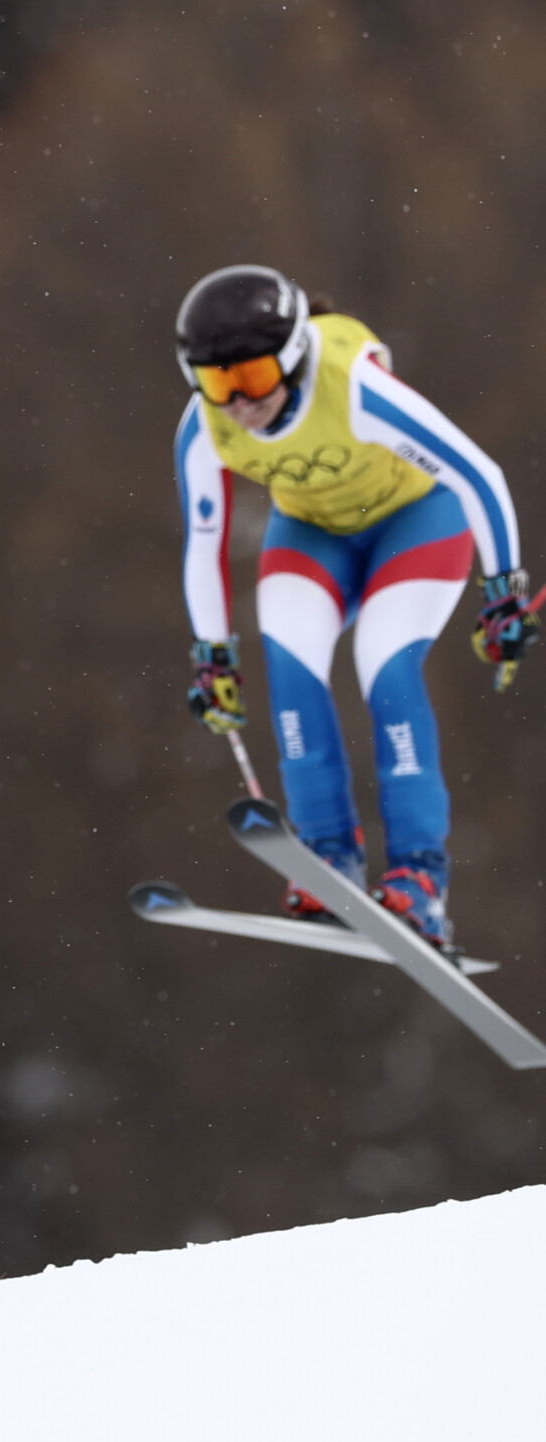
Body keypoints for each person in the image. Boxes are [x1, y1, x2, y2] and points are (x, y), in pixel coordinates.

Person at [172, 264, 528, 950]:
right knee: (290, 659)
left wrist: (504, 590)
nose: (238, 402)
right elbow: (204, 541)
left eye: (253, 378)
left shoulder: (353, 387)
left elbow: (479, 474)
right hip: (314, 534)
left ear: (292, 356)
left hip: (416, 523)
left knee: (384, 665)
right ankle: (326, 855)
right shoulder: (204, 427)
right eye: (217, 383)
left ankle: (420, 879)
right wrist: (211, 656)